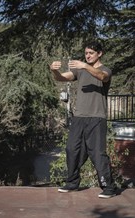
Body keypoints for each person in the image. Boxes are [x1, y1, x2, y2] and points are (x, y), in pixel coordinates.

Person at [50, 41, 117, 199]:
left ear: (99, 53)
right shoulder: (79, 71)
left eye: (91, 53)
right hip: (79, 117)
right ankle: (72, 183)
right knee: (71, 149)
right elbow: (61, 78)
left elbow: (102, 77)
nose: (87, 56)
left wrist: (84, 66)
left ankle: (109, 188)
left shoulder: (105, 70)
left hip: (96, 118)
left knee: (97, 153)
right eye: (86, 53)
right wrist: (54, 70)